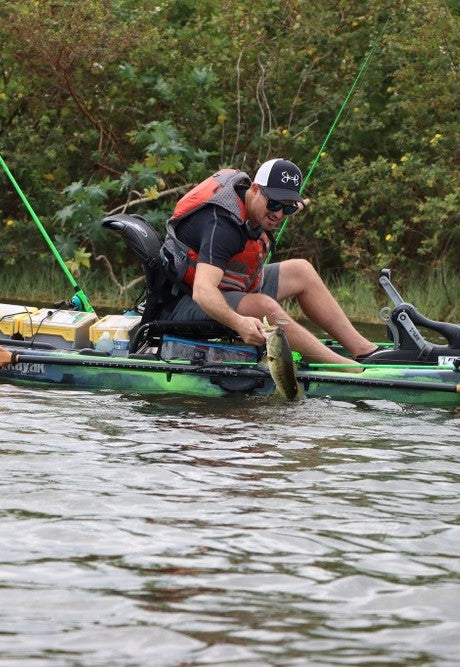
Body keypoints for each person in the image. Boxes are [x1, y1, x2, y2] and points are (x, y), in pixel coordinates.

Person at [159, 158, 379, 367]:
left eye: (288, 208)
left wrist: (287, 205)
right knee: (265, 307)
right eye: (274, 204)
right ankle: (345, 367)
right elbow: (203, 291)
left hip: (228, 288)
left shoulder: (261, 206)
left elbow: (280, 207)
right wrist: (239, 323)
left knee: (301, 270)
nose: (279, 214)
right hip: (183, 302)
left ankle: (365, 351)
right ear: (254, 189)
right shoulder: (222, 225)